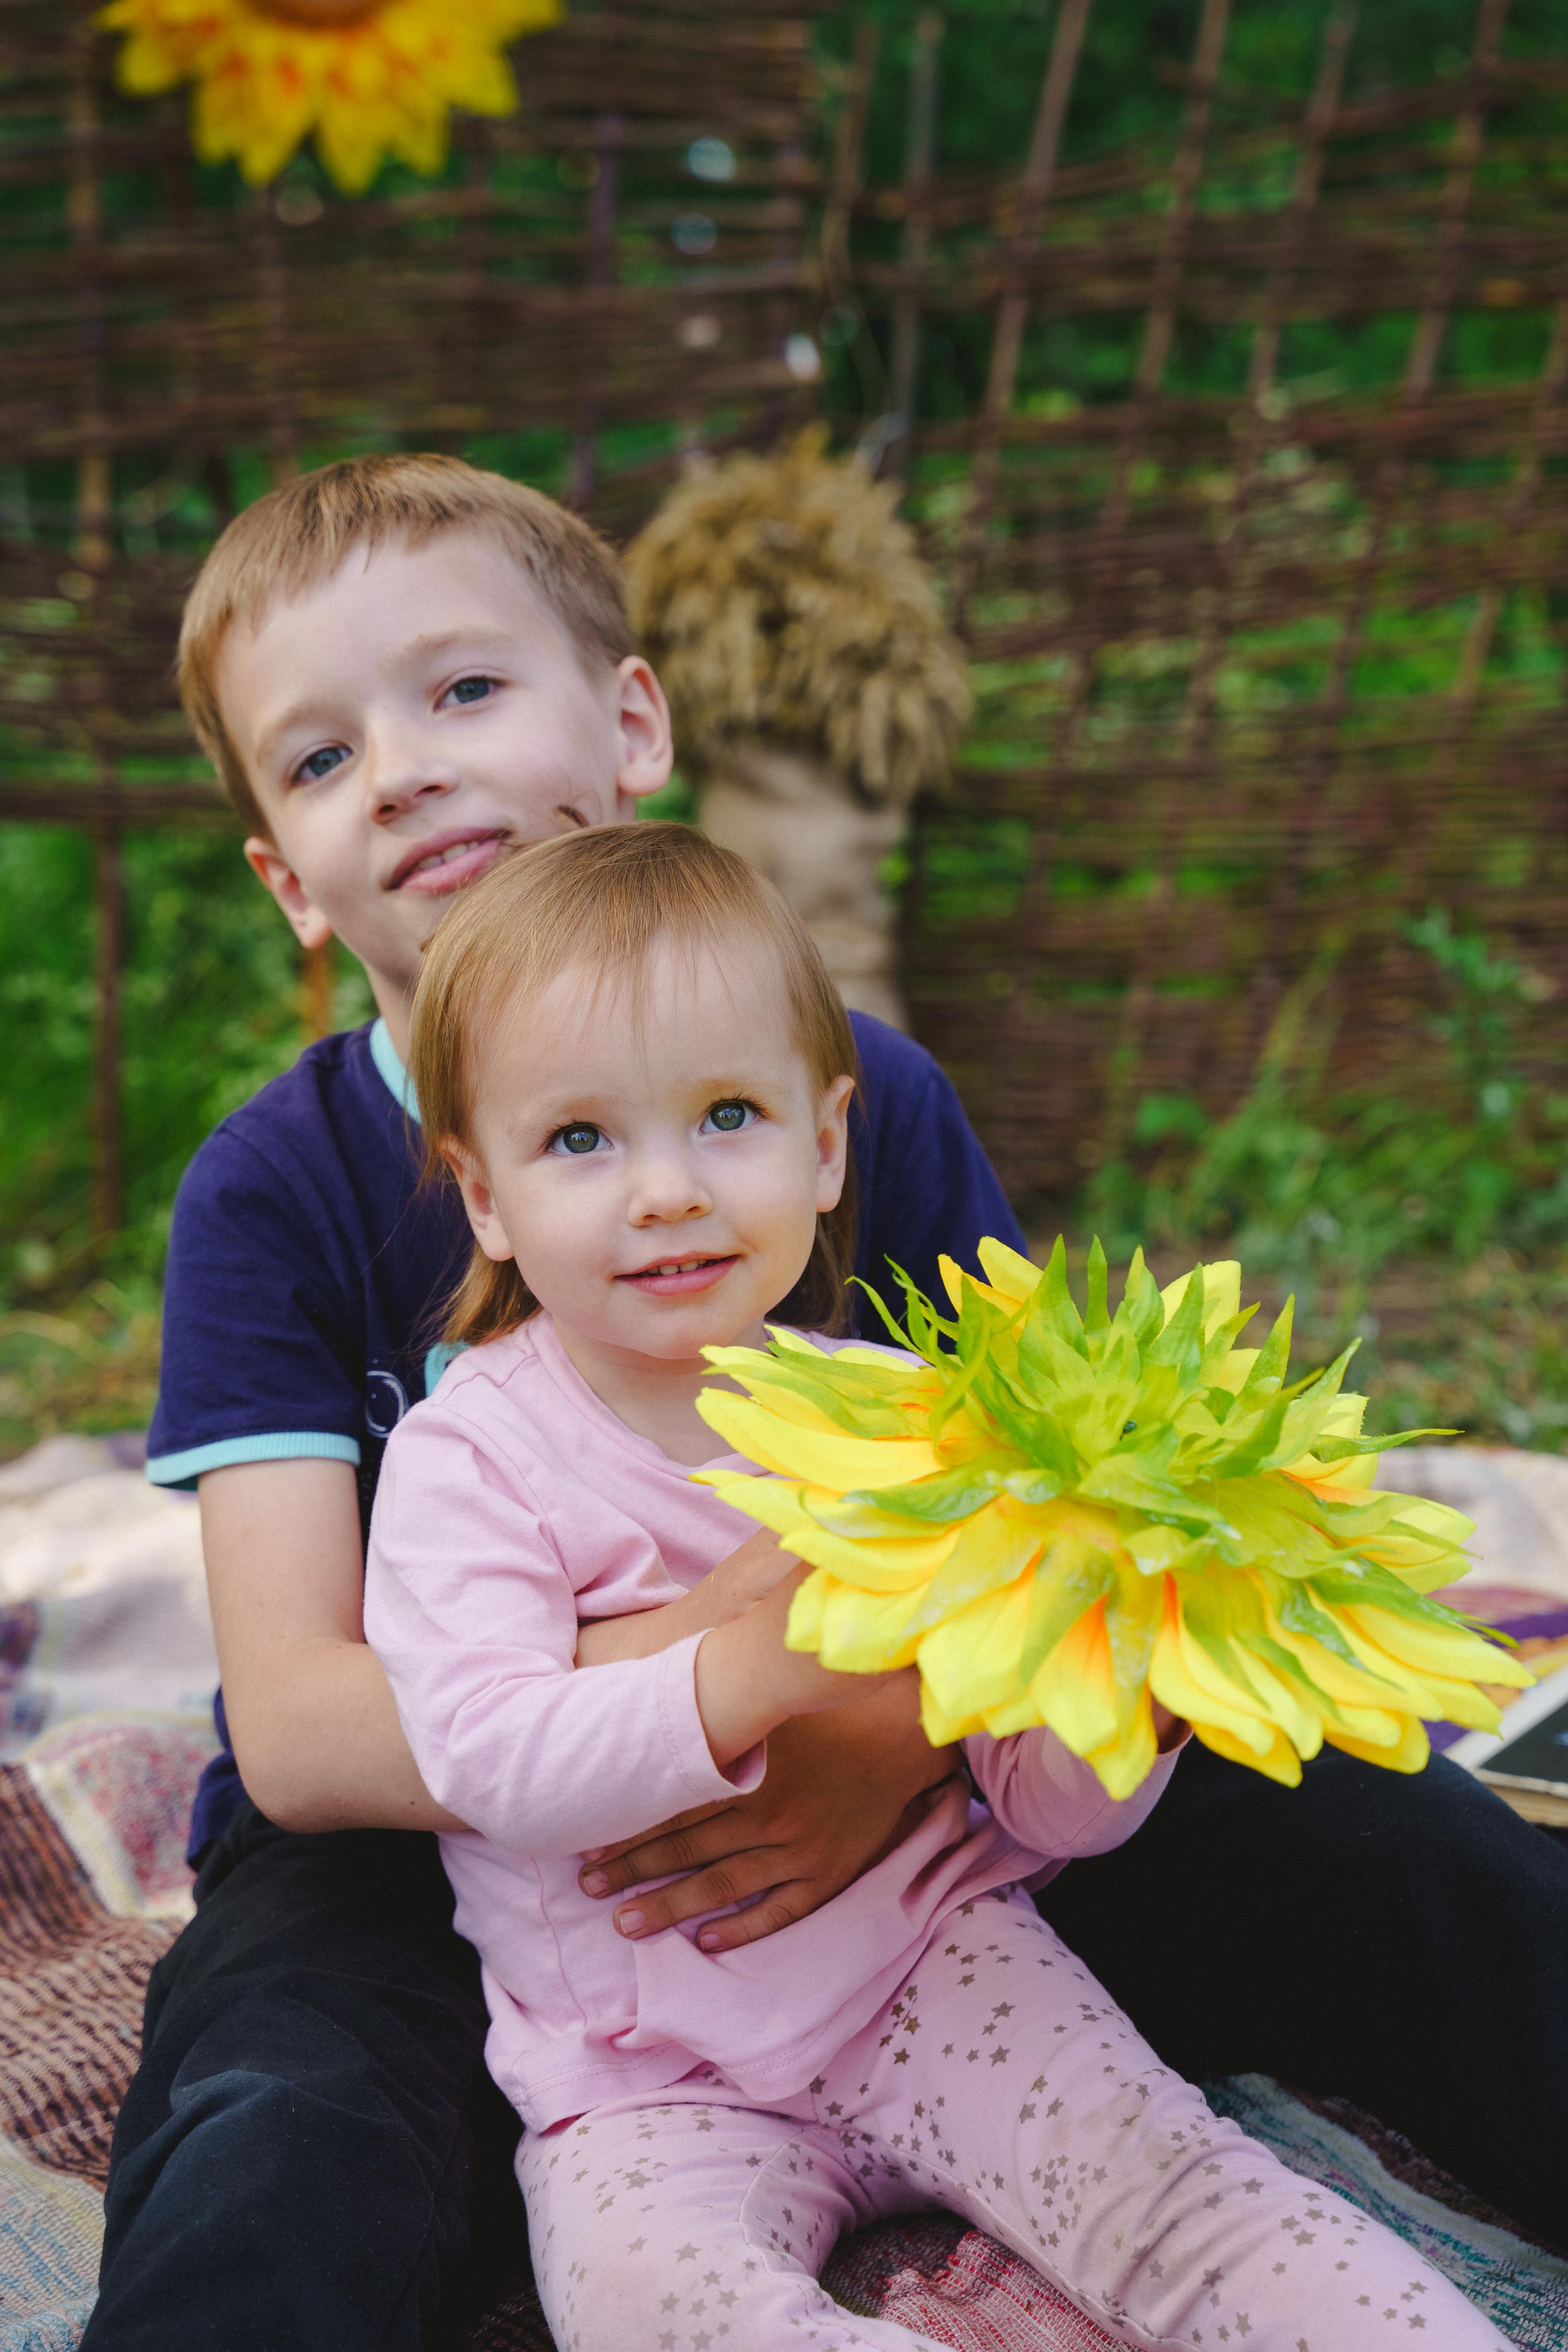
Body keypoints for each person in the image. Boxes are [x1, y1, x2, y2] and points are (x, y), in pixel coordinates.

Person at [82, 452, 1564, 2352]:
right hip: (426, 1846)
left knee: (1377, 1831)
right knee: (283, 2134)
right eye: (319, 757)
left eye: (463, 690)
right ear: (288, 880)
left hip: (932, 1790)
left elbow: (1061, 1504)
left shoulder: (852, 1087)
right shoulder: (273, 1183)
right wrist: (746, 1661)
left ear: (632, 722)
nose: (407, 767)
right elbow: (299, 1725)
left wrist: (883, 1732)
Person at [361, 818, 1507, 2352]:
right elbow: (482, 1753)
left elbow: (1030, 1808)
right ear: (483, 1192)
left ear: (826, 1144)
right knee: (648, 2307)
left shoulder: (926, 1421)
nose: (663, 1192)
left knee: (1178, 2194)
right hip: (644, 2074)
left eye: (723, 1116)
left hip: (939, 1971)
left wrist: (1132, 1703)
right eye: (580, 1140)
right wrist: (752, 1667)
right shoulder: (470, 1460)